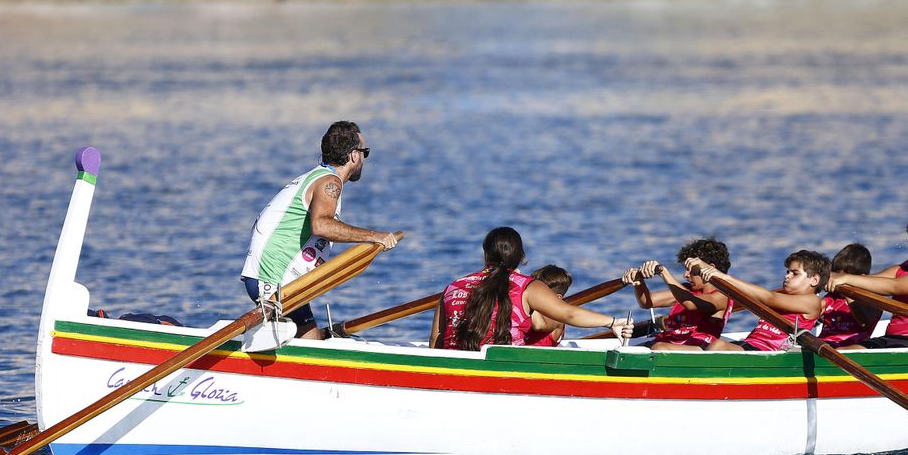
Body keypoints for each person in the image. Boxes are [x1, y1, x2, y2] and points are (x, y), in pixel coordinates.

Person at [240, 121, 399, 339]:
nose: (364, 159)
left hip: (280, 280)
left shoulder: (317, 176)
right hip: (274, 280)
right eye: (365, 153)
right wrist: (375, 237)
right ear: (354, 155)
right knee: (309, 346)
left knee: (312, 339)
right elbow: (321, 225)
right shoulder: (329, 182)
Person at [433, 228, 631, 351]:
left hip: (456, 365)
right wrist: (611, 322)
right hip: (505, 367)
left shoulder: (452, 287)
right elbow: (569, 314)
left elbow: (436, 339)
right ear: (521, 256)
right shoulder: (526, 286)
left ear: (485, 255)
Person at [828, 211, 908, 349]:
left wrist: (846, 278)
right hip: (893, 339)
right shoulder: (903, 268)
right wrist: (829, 277)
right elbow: (869, 281)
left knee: (846, 355)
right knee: (842, 351)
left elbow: (894, 287)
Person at [687, 250, 828, 352]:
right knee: (682, 347)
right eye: (787, 272)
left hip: (768, 351)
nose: (787, 276)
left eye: (794, 273)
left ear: (814, 280)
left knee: (718, 346)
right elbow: (745, 297)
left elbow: (768, 298)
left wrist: (723, 276)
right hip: (749, 345)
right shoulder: (781, 294)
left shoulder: (812, 302)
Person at [624, 238, 733, 352]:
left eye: (690, 270)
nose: (685, 275)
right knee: (632, 349)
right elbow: (647, 302)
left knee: (659, 348)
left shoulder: (722, 296)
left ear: (710, 268)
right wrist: (638, 283)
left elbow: (690, 303)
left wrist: (663, 272)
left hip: (700, 348)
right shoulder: (686, 290)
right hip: (668, 343)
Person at [815, 243, 881, 347]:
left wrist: (849, 294)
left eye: (843, 278)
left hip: (853, 348)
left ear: (861, 278)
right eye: (836, 275)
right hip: (824, 346)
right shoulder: (831, 297)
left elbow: (864, 322)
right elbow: (814, 310)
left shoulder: (871, 298)